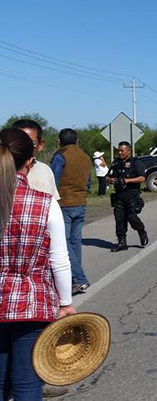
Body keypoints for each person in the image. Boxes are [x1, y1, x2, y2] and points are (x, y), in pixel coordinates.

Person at [0, 128, 76, 401]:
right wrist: (65, 303)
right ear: (30, 161)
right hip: (32, 303)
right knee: (27, 385)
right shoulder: (45, 204)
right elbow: (59, 259)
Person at [50, 129, 92, 294]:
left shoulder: (60, 156)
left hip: (64, 203)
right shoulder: (85, 157)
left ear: (59, 140)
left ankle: (79, 278)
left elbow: (53, 180)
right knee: (75, 242)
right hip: (81, 202)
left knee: (63, 243)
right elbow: (88, 182)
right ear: (77, 140)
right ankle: (74, 279)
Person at [106, 141, 148, 252]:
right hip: (119, 195)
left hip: (132, 195)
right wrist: (110, 179)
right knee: (119, 219)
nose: (120, 152)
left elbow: (142, 178)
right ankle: (122, 243)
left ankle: (141, 231)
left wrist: (127, 180)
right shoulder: (116, 163)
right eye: (118, 150)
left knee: (132, 218)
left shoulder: (136, 163)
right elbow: (108, 176)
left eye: (122, 150)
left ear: (128, 151)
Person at [11, 119, 60, 201]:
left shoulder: (45, 171)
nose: (25, 148)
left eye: (31, 144)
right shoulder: (3, 170)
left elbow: (53, 202)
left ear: (40, 145)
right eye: (20, 143)